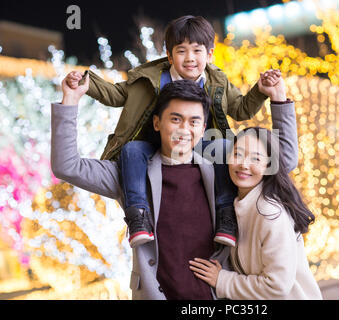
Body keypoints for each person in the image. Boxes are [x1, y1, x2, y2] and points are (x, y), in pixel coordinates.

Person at [51, 74, 298, 299]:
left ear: (203, 129)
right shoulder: (132, 175)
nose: (183, 130)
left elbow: (279, 161)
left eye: (193, 122)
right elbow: (68, 166)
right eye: (175, 119)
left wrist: (278, 99)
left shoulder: (224, 173)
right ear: (157, 123)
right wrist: (70, 101)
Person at [65, 15, 280, 248]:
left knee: (223, 146)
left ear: (209, 54)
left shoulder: (217, 80)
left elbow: (240, 109)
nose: (190, 58)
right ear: (169, 55)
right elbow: (116, 95)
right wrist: (89, 83)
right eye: (181, 51)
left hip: (199, 143)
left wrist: (260, 91)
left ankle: (226, 215)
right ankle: (138, 215)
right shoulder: (148, 78)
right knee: (131, 151)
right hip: (152, 142)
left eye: (197, 51)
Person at [189, 77, 323, 300]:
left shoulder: (269, 214)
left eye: (255, 158)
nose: (243, 164)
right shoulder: (238, 204)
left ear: (269, 165)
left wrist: (222, 280)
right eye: (238, 154)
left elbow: (275, 285)